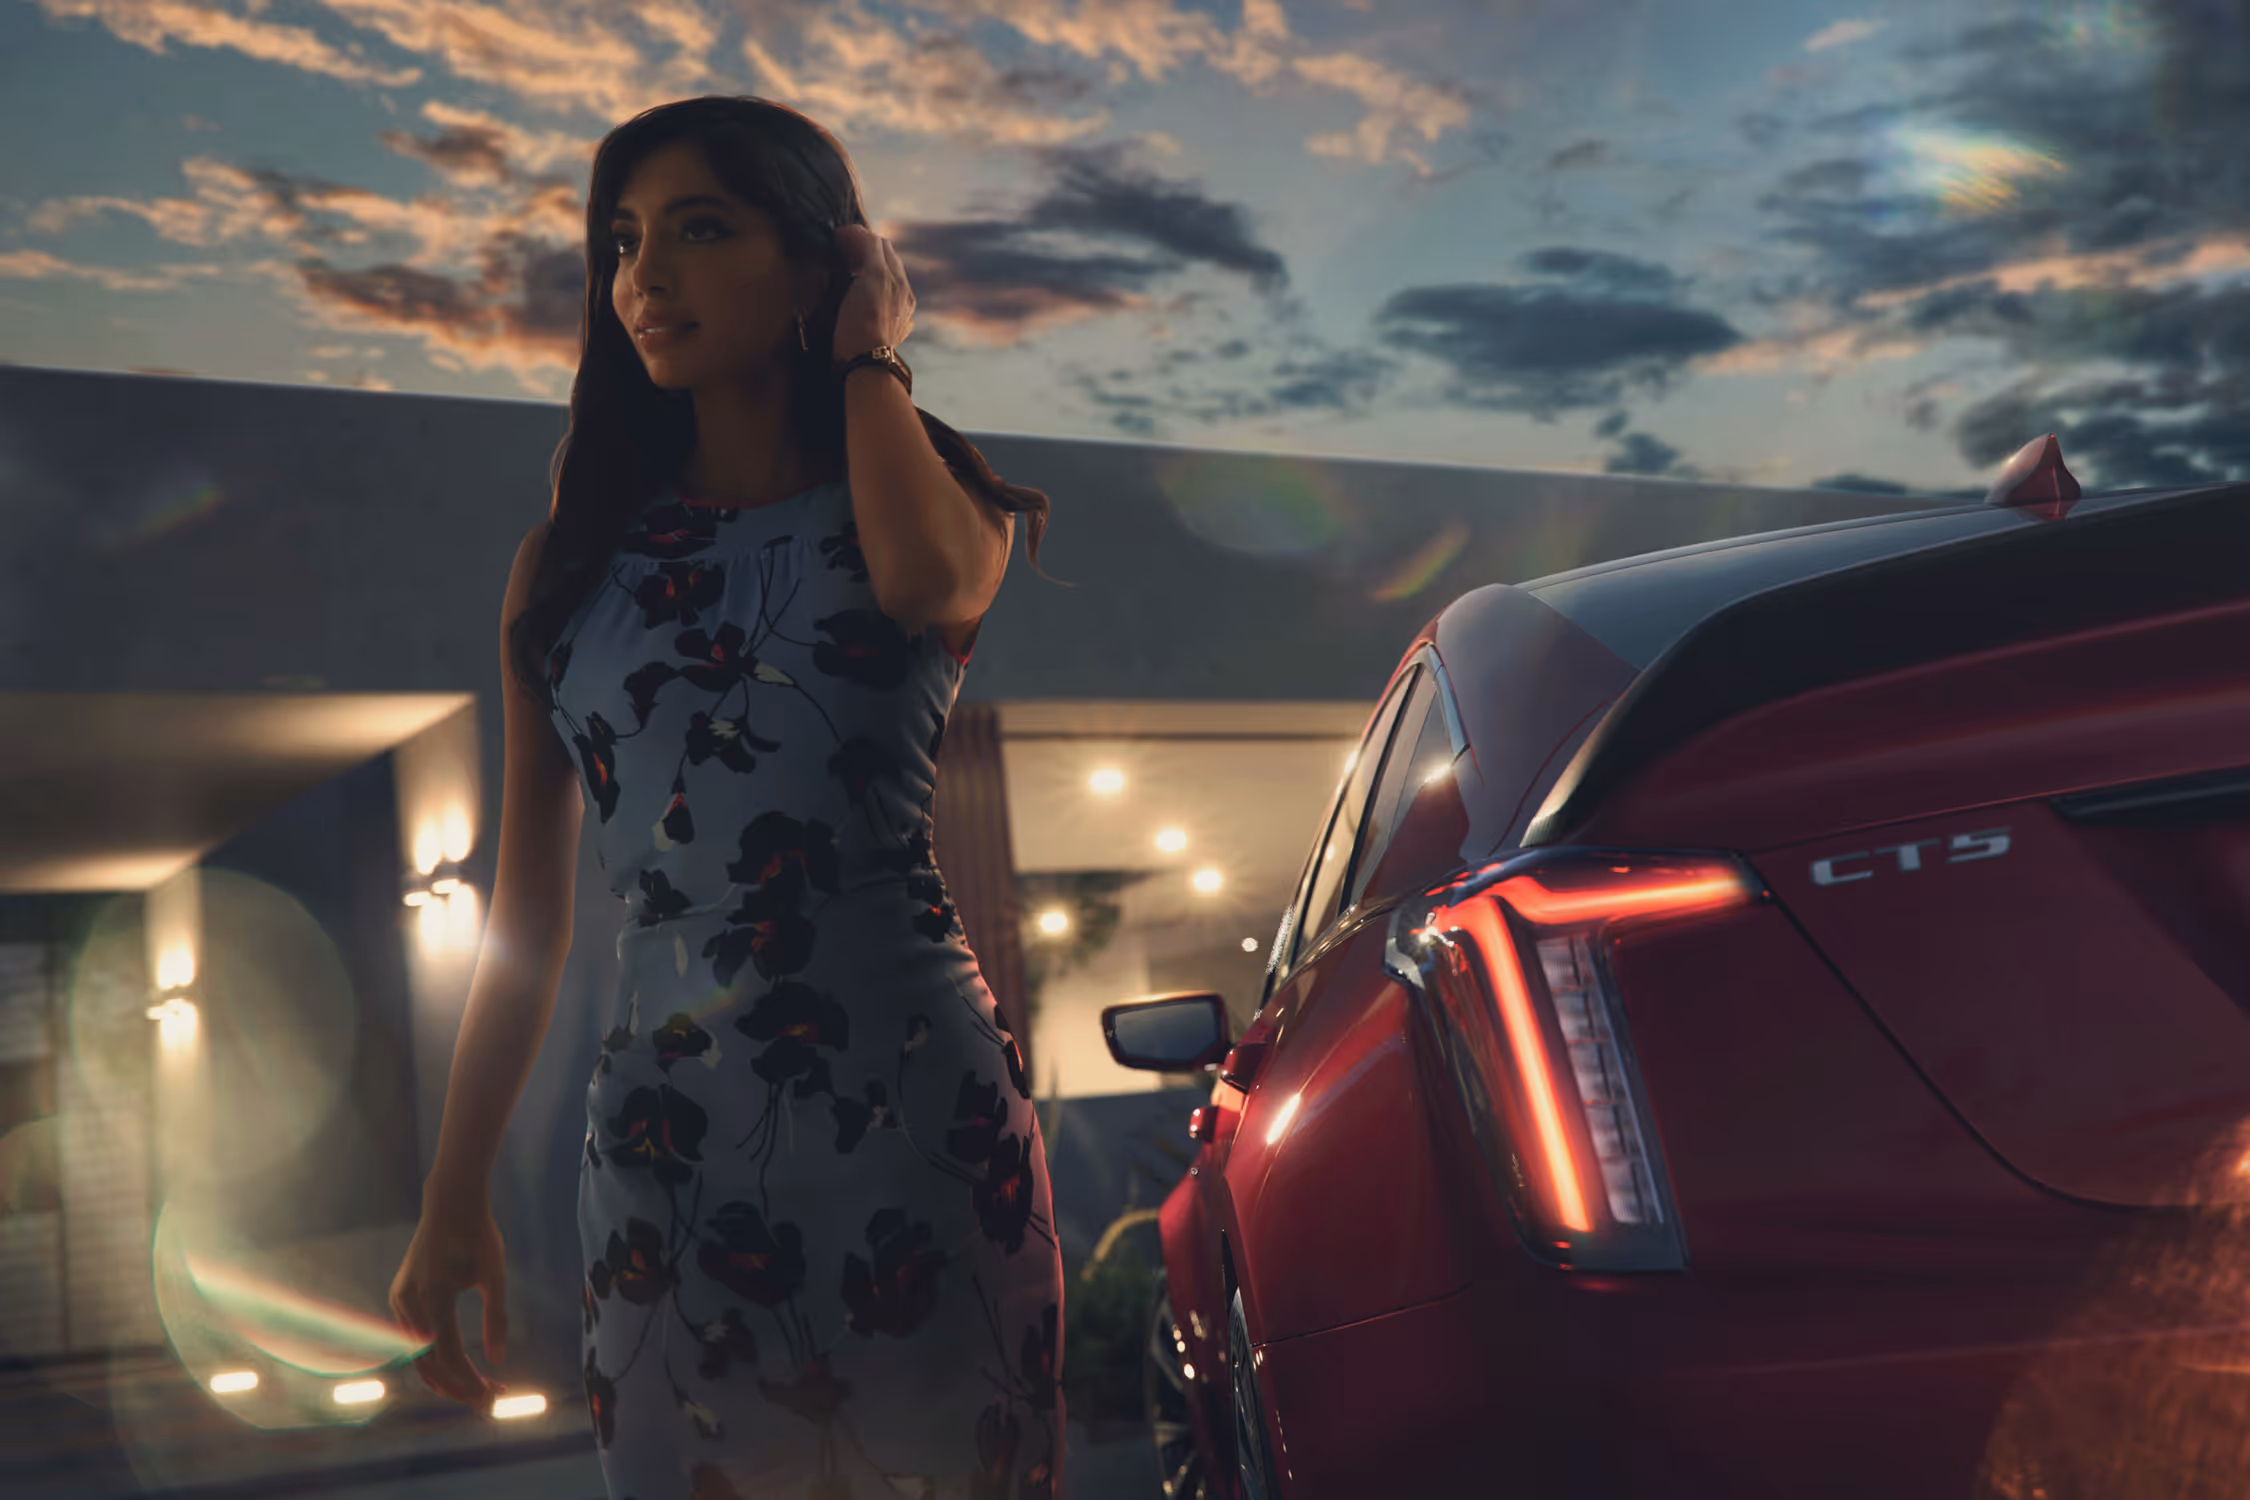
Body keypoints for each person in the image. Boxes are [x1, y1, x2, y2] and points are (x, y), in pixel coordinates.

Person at [387, 95, 1066, 1500]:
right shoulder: (564, 568)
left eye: (701, 229)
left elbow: (926, 589)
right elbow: (528, 920)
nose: (645, 276)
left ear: (822, 259)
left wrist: (870, 350)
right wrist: (452, 1198)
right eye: (623, 242)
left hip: (913, 1117)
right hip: (664, 1143)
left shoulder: (942, 505)